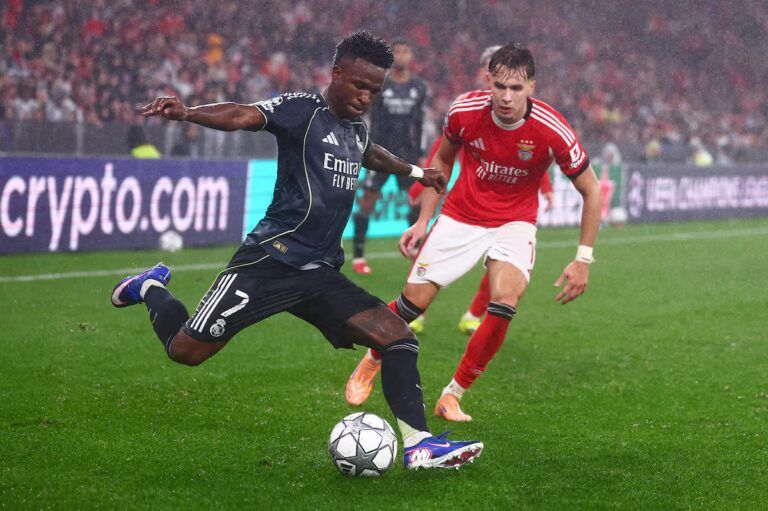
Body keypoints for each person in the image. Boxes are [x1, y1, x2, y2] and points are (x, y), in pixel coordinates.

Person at [110, 31, 482, 470]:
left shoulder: (354, 130)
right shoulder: (302, 110)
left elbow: (371, 155)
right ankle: (151, 286)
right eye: (358, 85)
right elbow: (244, 115)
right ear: (337, 73)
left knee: (398, 337)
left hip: (319, 274)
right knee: (185, 351)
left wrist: (420, 171)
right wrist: (189, 113)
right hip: (270, 260)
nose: (365, 97)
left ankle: (419, 444)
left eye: (374, 91)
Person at [345, 44, 602, 422]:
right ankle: (372, 357)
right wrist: (423, 220)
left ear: (532, 86)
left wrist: (583, 259)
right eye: (500, 86)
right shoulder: (465, 111)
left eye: (516, 88)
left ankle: (453, 395)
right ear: (488, 81)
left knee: (505, 301)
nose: (507, 97)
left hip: (515, 222)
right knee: (412, 305)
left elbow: (591, 190)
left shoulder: (551, 128)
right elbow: (442, 160)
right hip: (461, 216)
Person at [351, 39, 429, 275]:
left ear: (411, 56)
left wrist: (422, 154)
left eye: (405, 51)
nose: (401, 55)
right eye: (397, 51)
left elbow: (420, 123)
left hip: (408, 155)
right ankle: (358, 256)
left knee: (415, 201)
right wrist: (366, 147)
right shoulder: (380, 84)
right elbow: (369, 117)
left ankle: (414, 250)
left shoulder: (419, 86)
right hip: (380, 153)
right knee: (368, 200)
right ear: (392, 56)